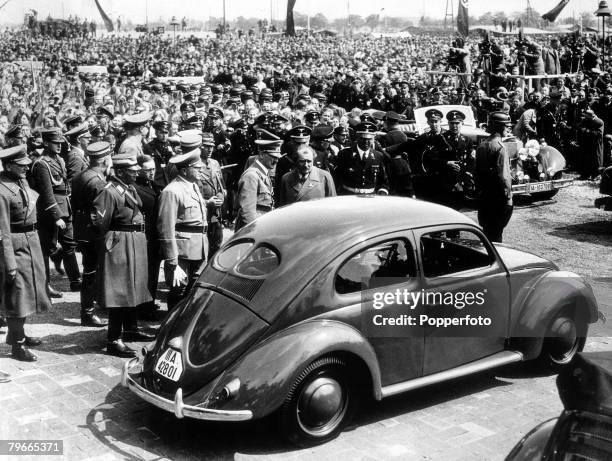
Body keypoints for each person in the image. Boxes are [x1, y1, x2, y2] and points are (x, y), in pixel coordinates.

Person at [91, 153, 154, 357]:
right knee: (119, 293)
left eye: (136, 170)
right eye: (132, 171)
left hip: (134, 241)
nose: (136, 173)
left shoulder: (129, 188)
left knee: (132, 288)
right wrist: (111, 244)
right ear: (119, 172)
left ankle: (130, 329)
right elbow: (99, 223)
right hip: (120, 243)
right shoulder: (109, 192)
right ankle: (113, 339)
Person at [0, 145, 51, 362]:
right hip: (15, 246)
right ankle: (17, 346)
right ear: (9, 165)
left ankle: (19, 334)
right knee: (17, 296)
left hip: (31, 242)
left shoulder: (21, 181)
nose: (26, 168)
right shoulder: (2, 191)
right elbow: (2, 232)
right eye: (21, 165)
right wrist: (9, 263)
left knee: (28, 294)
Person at [158, 132, 208, 311]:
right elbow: (166, 228)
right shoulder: (172, 191)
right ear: (185, 169)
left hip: (198, 248)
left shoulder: (193, 186)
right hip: (182, 252)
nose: (201, 170)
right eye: (197, 168)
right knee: (178, 292)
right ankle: (170, 329)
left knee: (194, 293)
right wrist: (172, 261)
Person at [30, 127, 81, 293]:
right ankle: (45, 286)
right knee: (47, 247)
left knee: (69, 244)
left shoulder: (59, 159)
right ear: (45, 143)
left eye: (60, 142)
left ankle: (75, 280)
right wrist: (56, 215)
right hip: (50, 211)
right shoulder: (41, 164)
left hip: (65, 206)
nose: (59, 146)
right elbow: (46, 193)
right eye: (54, 143)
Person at [70, 141, 113, 327]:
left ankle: (89, 309)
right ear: (104, 160)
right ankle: (87, 313)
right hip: (94, 233)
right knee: (92, 273)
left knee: (89, 271)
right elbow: (101, 214)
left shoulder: (81, 176)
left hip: (82, 229)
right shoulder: (98, 182)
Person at [133, 154, 164, 320]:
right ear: (139, 171)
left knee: (152, 274)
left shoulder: (154, 185)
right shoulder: (135, 188)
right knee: (144, 274)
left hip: (154, 236)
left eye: (153, 169)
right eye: (148, 170)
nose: (152, 172)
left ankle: (149, 304)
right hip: (144, 237)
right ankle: (144, 308)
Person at [475, 112, 513, 243]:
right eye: (506, 126)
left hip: (485, 196)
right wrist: (508, 196)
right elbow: (504, 176)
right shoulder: (501, 148)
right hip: (498, 197)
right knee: (497, 234)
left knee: (487, 231)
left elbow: (477, 173)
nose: (508, 129)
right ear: (499, 127)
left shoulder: (482, 145)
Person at [234, 129, 281, 231]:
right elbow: (247, 212)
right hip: (253, 229)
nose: (276, 160)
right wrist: (255, 233)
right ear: (261, 154)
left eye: (277, 157)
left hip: (262, 225)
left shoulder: (263, 174)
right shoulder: (251, 176)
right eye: (273, 157)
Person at [335, 122, 389, 195]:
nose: (366, 142)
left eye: (369, 139)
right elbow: (337, 177)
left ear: (373, 139)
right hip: (348, 196)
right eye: (362, 138)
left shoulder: (378, 156)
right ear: (357, 138)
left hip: (370, 197)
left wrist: (382, 191)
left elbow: (383, 179)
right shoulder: (344, 154)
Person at [197, 133, 225, 258]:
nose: (209, 150)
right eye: (206, 146)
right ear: (199, 146)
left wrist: (221, 196)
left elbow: (222, 187)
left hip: (216, 213)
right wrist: (207, 202)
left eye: (212, 146)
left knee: (216, 244)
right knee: (201, 248)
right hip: (201, 213)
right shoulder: (194, 165)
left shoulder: (215, 163)